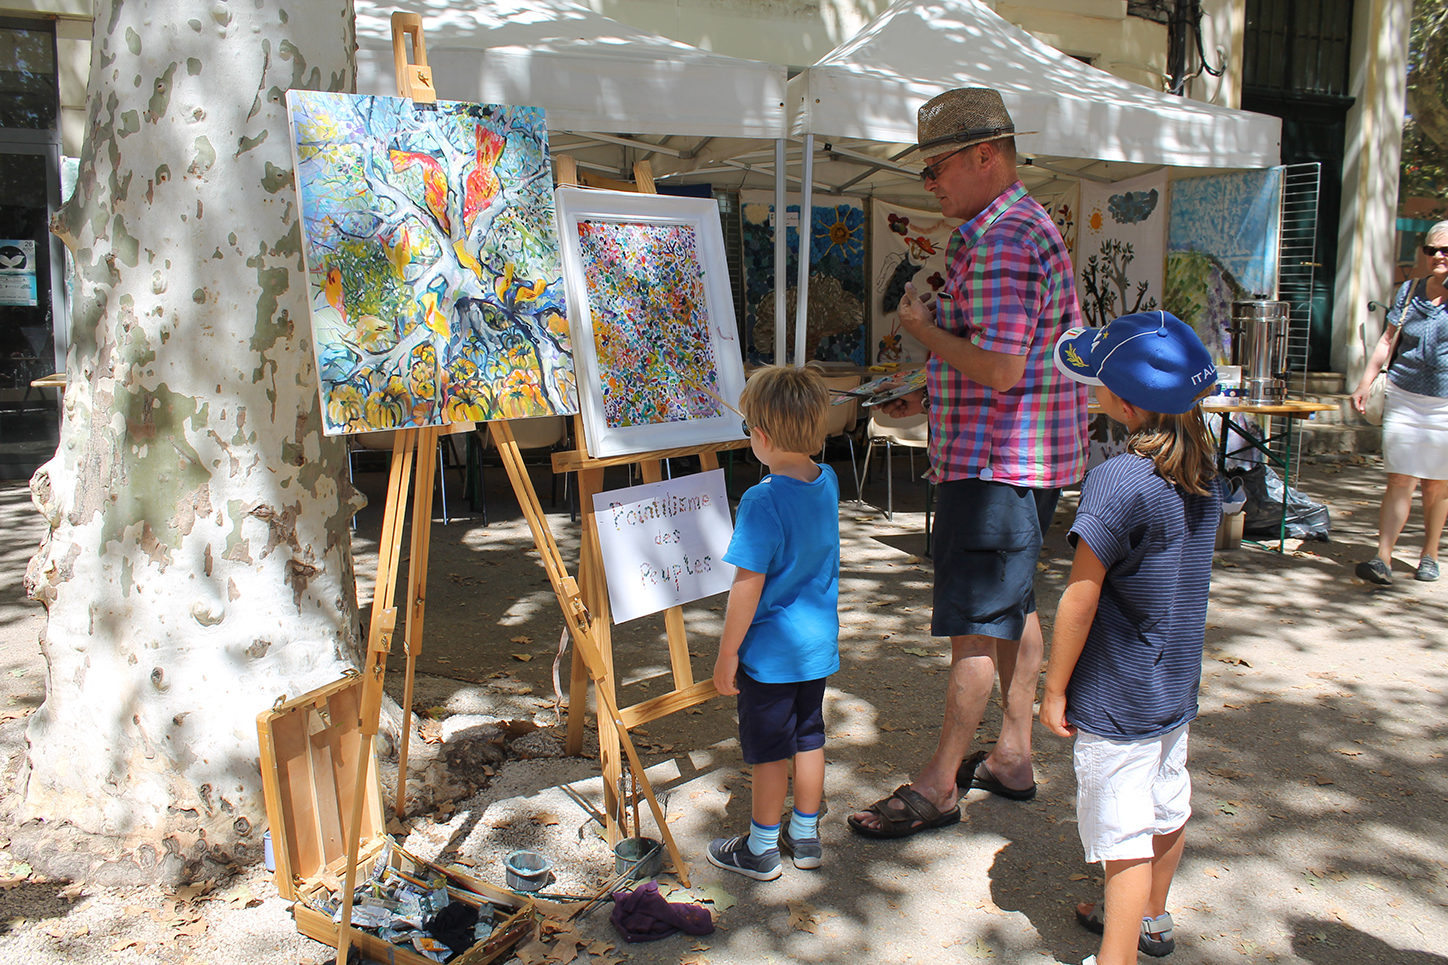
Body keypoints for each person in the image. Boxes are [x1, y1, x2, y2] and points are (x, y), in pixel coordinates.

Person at [848, 88, 1088, 838]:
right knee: (1013, 608)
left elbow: (1004, 369)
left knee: (974, 624)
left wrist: (921, 330)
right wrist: (925, 393)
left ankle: (939, 784)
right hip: (1018, 458)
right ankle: (1013, 755)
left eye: (937, 168)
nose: (931, 184)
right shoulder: (1013, 225)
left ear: (986, 155)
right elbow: (1003, 362)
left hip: (993, 466)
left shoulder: (1005, 236)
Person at [1039, 310, 1223, 965]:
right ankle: (1151, 918)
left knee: (1123, 833)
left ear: (1125, 398)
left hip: (1119, 696)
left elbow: (1080, 596)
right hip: (1174, 684)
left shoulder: (1117, 479)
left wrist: (1054, 685)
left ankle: (1116, 957)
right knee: (1168, 803)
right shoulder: (1203, 469)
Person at [708, 365, 840, 880]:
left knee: (769, 751)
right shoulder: (824, 479)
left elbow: (748, 585)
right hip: (814, 647)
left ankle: (761, 848)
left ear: (760, 437)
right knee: (809, 737)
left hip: (770, 656)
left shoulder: (762, 500)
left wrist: (726, 652)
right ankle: (804, 837)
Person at [1349, 221, 1448, 585]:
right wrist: (1365, 381)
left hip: (1445, 403)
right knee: (1399, 478)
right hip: (1404, 396)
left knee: (1437, 484)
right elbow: (1388, 341)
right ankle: (1383, 558)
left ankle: (1430, 554)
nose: (1438, 256)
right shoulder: (1409, 291)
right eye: (1432, 250)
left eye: (1447, 251)